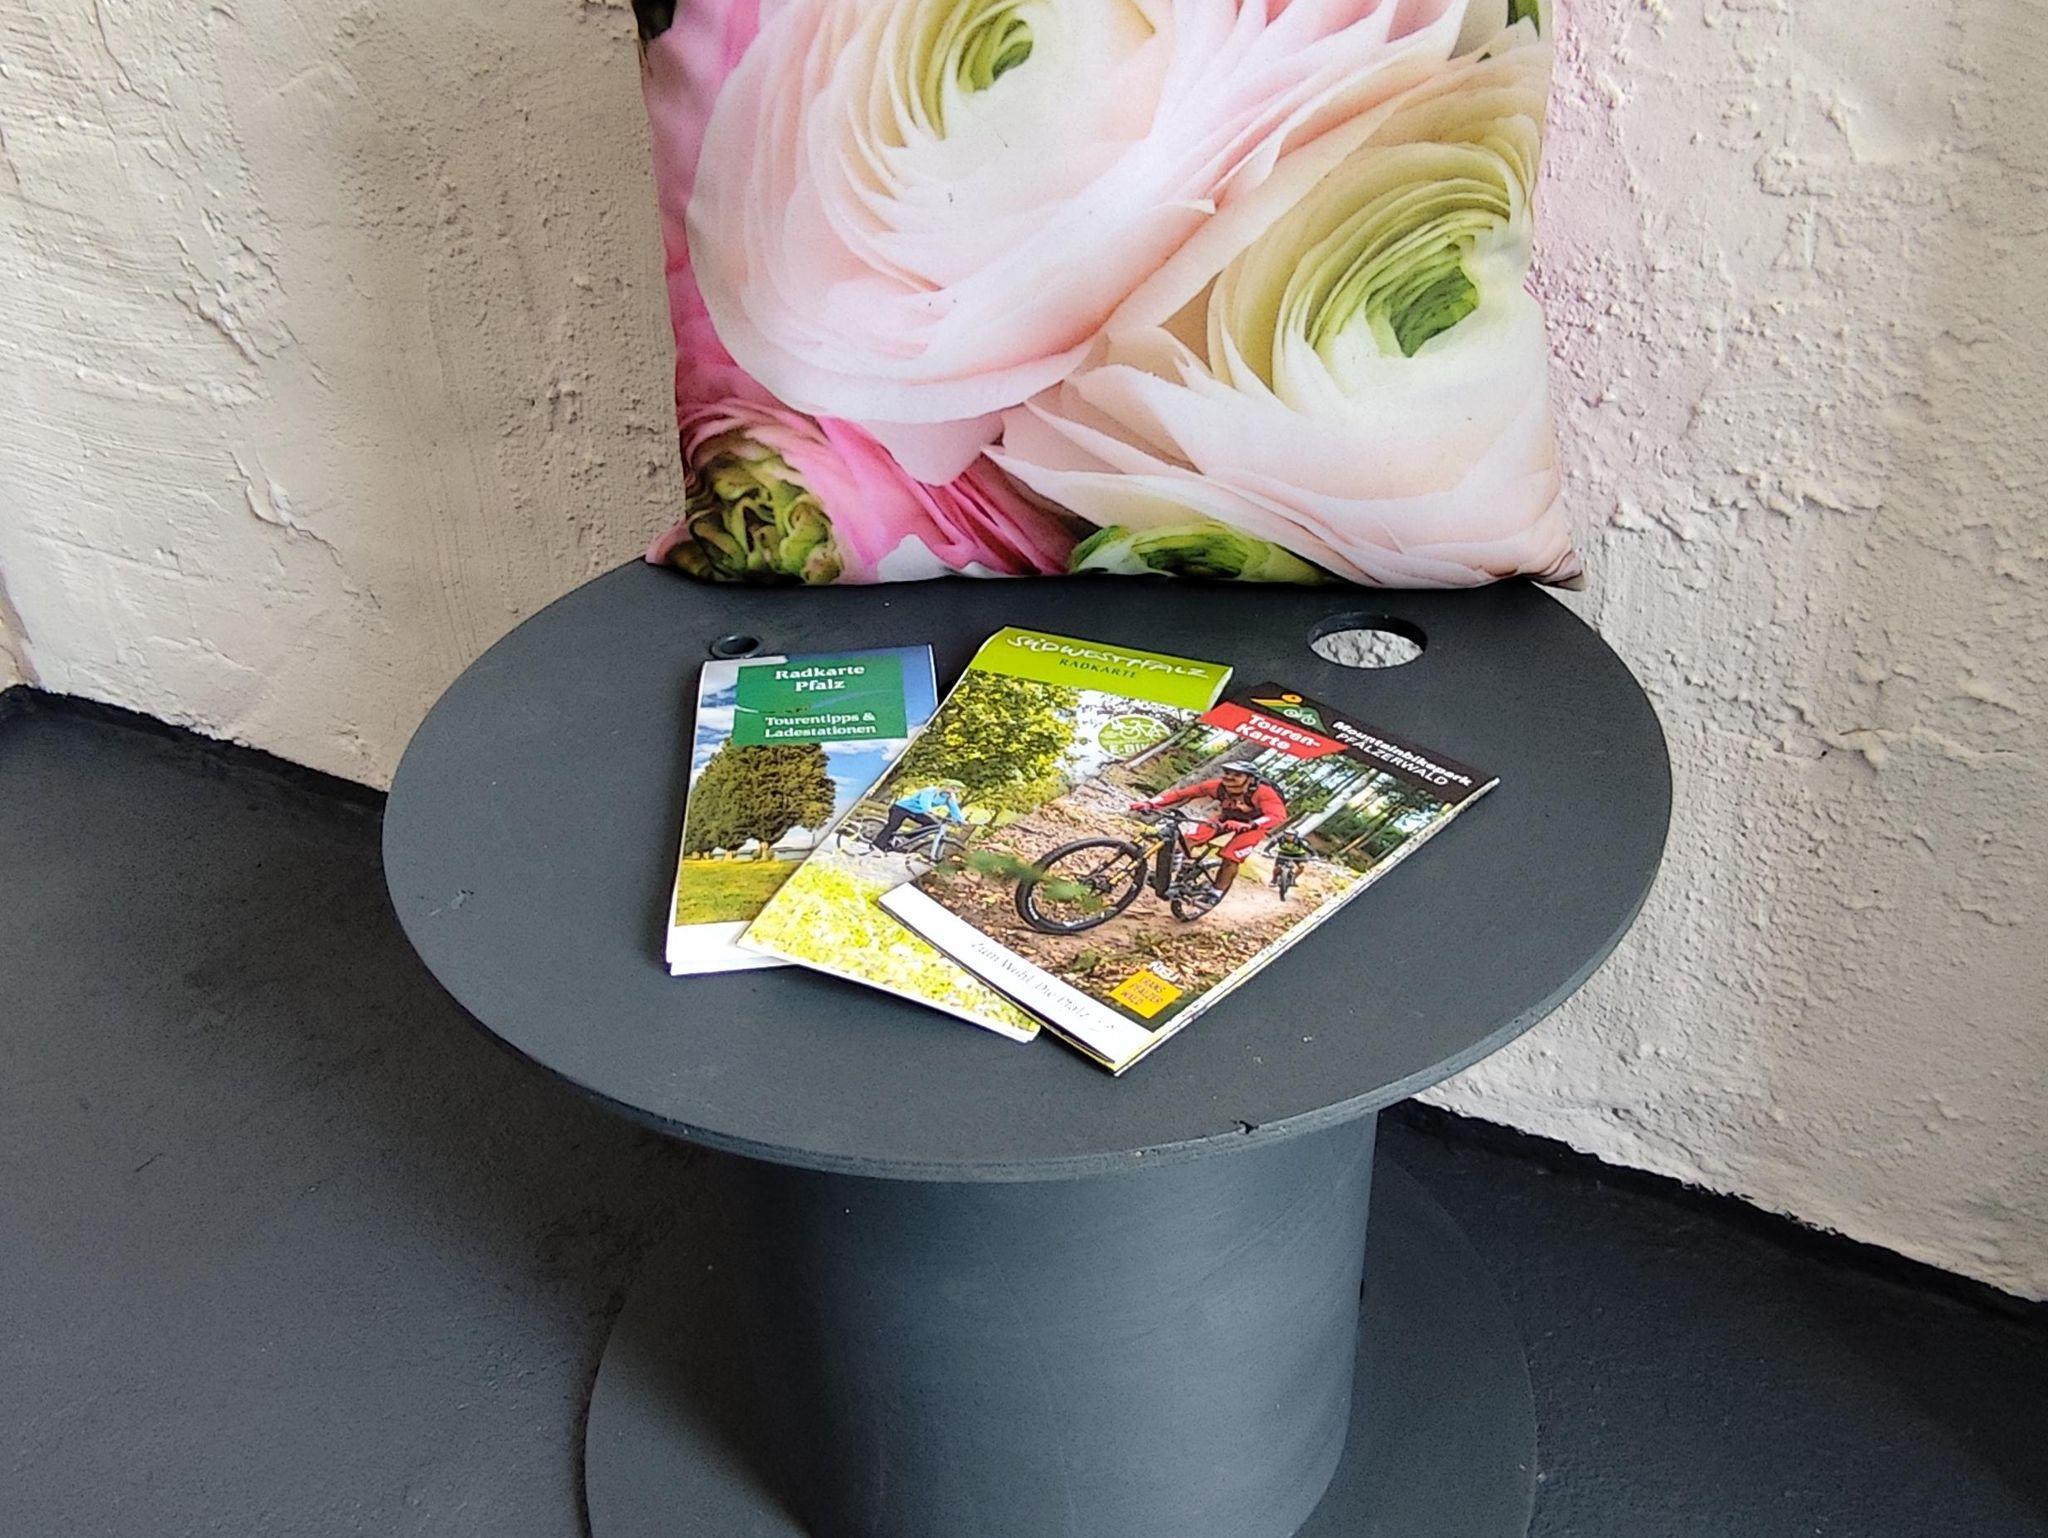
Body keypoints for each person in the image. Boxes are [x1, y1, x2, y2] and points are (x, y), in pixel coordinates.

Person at [1131, 761, 1287, 902]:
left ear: (1251, 779)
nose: (1229, 777)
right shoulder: (1216, 786)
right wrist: (1150, 803)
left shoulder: (1264, 793)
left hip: (1254, 826)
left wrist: (1250, 825)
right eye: (1227, 772)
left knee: (1231, 856)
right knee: (1186, 840)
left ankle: (1216, 892)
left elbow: (1277, 815)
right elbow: (1183, 794)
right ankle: (1167, 875)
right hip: (1226, 818)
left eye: (1237, 775)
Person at [874, 781, 967, 853]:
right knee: (893, 825)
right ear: (946, 786)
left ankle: (907, 838)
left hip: (917, 811)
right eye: (953, 788)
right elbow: (925, 802)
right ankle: (879, 844)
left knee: (933, 825)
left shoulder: (949, 797)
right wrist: (930, 812)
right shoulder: (930, 791)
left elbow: (954, 809)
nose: (955, 791)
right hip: (901, 808)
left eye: (957, 789)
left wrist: (961, 820)